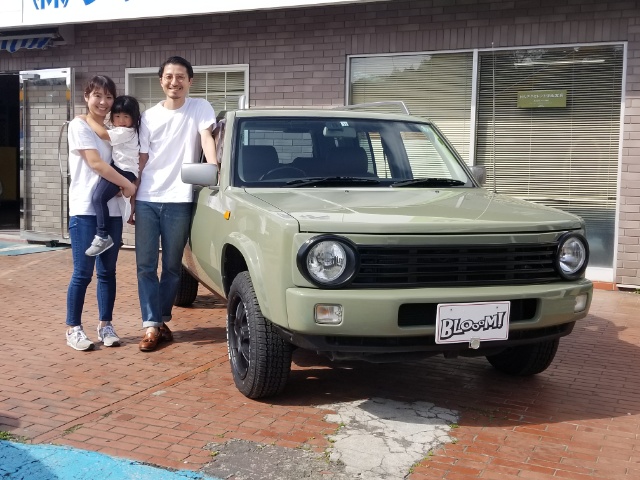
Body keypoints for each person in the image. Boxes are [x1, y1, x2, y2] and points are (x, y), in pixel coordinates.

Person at [131, 56, 217, 352]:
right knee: (145, 266)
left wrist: (214, 169)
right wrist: (132, 196)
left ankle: (160, 320)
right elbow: (142, 158)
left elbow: (206, 139)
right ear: (161, 81)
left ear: (190, 81)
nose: (174, 82)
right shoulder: (148, 116)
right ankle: (151, 325)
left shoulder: (200, 108)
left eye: (180, 77)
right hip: (147, 199)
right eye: (169, 76)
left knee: (171, 267)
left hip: (180, 199)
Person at [65, 75, 136, 351]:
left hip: (112, 211)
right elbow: (95, 163)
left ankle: (106, 325)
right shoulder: (79, 125)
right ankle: (73, 328)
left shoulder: (113, 129)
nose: (103, 102)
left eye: (108, 96)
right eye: (98, 95)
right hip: (85, 209)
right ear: (87, 96)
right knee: (83, 273)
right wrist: (127, 185)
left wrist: (126, 188)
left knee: (107, 272)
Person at [84, 95, 141, 256]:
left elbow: (103, 134)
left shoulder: (127, 131)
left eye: (126, 116)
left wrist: (87, 118)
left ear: (133, 118)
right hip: (122, 169)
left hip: (124, 170)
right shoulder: (120, 131)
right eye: (117, 116)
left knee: (98, 198)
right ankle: (115, 236)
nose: (121, 120)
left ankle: (103, 235)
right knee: (106, 197)